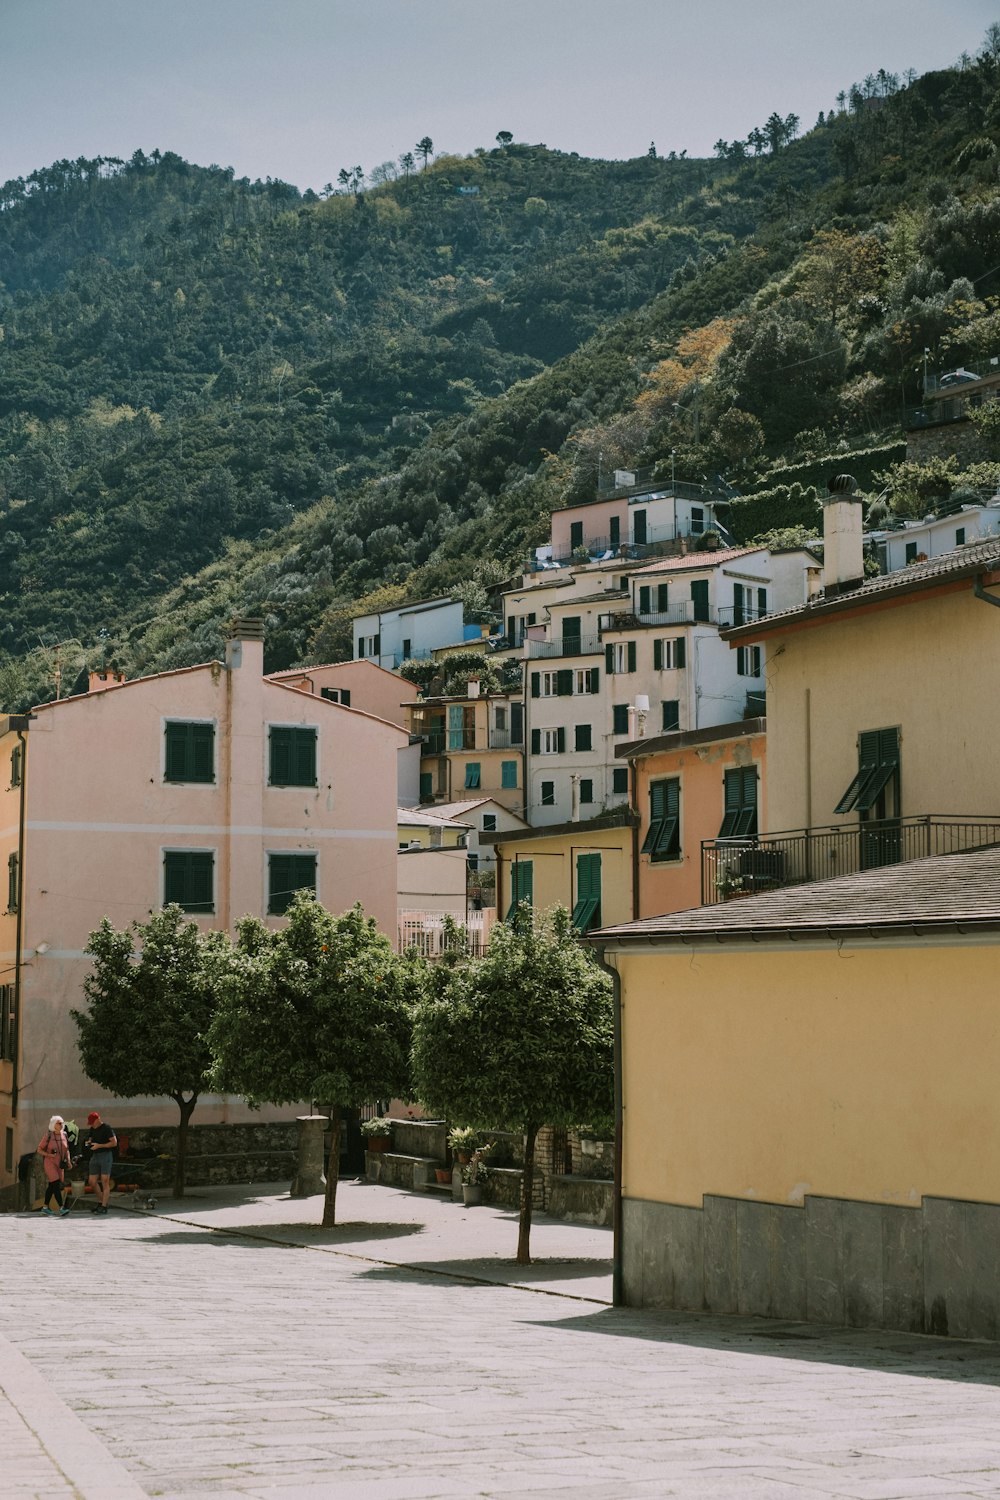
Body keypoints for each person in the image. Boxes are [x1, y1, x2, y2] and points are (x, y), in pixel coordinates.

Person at [37, 1115, 73, 1216]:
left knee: (52, 1185)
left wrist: (69, 1161)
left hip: (60, 1164)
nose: (61, 1125)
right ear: (53, 1125)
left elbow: (67, 1150)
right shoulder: (48, 1136)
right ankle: (61, 1207)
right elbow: (39, 1149)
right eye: (59, 1123)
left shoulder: (64, 1135)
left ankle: (45, 1207)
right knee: (56, 1183)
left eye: (62, 1122)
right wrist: (48, 1155)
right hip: (49, 1162)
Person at [84, 1110, 117, 1215]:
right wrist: (89, 1143)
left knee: (105, 1180)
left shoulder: (107, 1128)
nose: (92, 1125)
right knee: (92, 1181)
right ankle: (101, 1201)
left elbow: (114, 1143)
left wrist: (99, 1145)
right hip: (95, 1155)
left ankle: (103, 1205)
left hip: (105, 1155)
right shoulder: (92, 1129)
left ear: (98, 1120)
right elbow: (90, 1139)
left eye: (92, 1122)